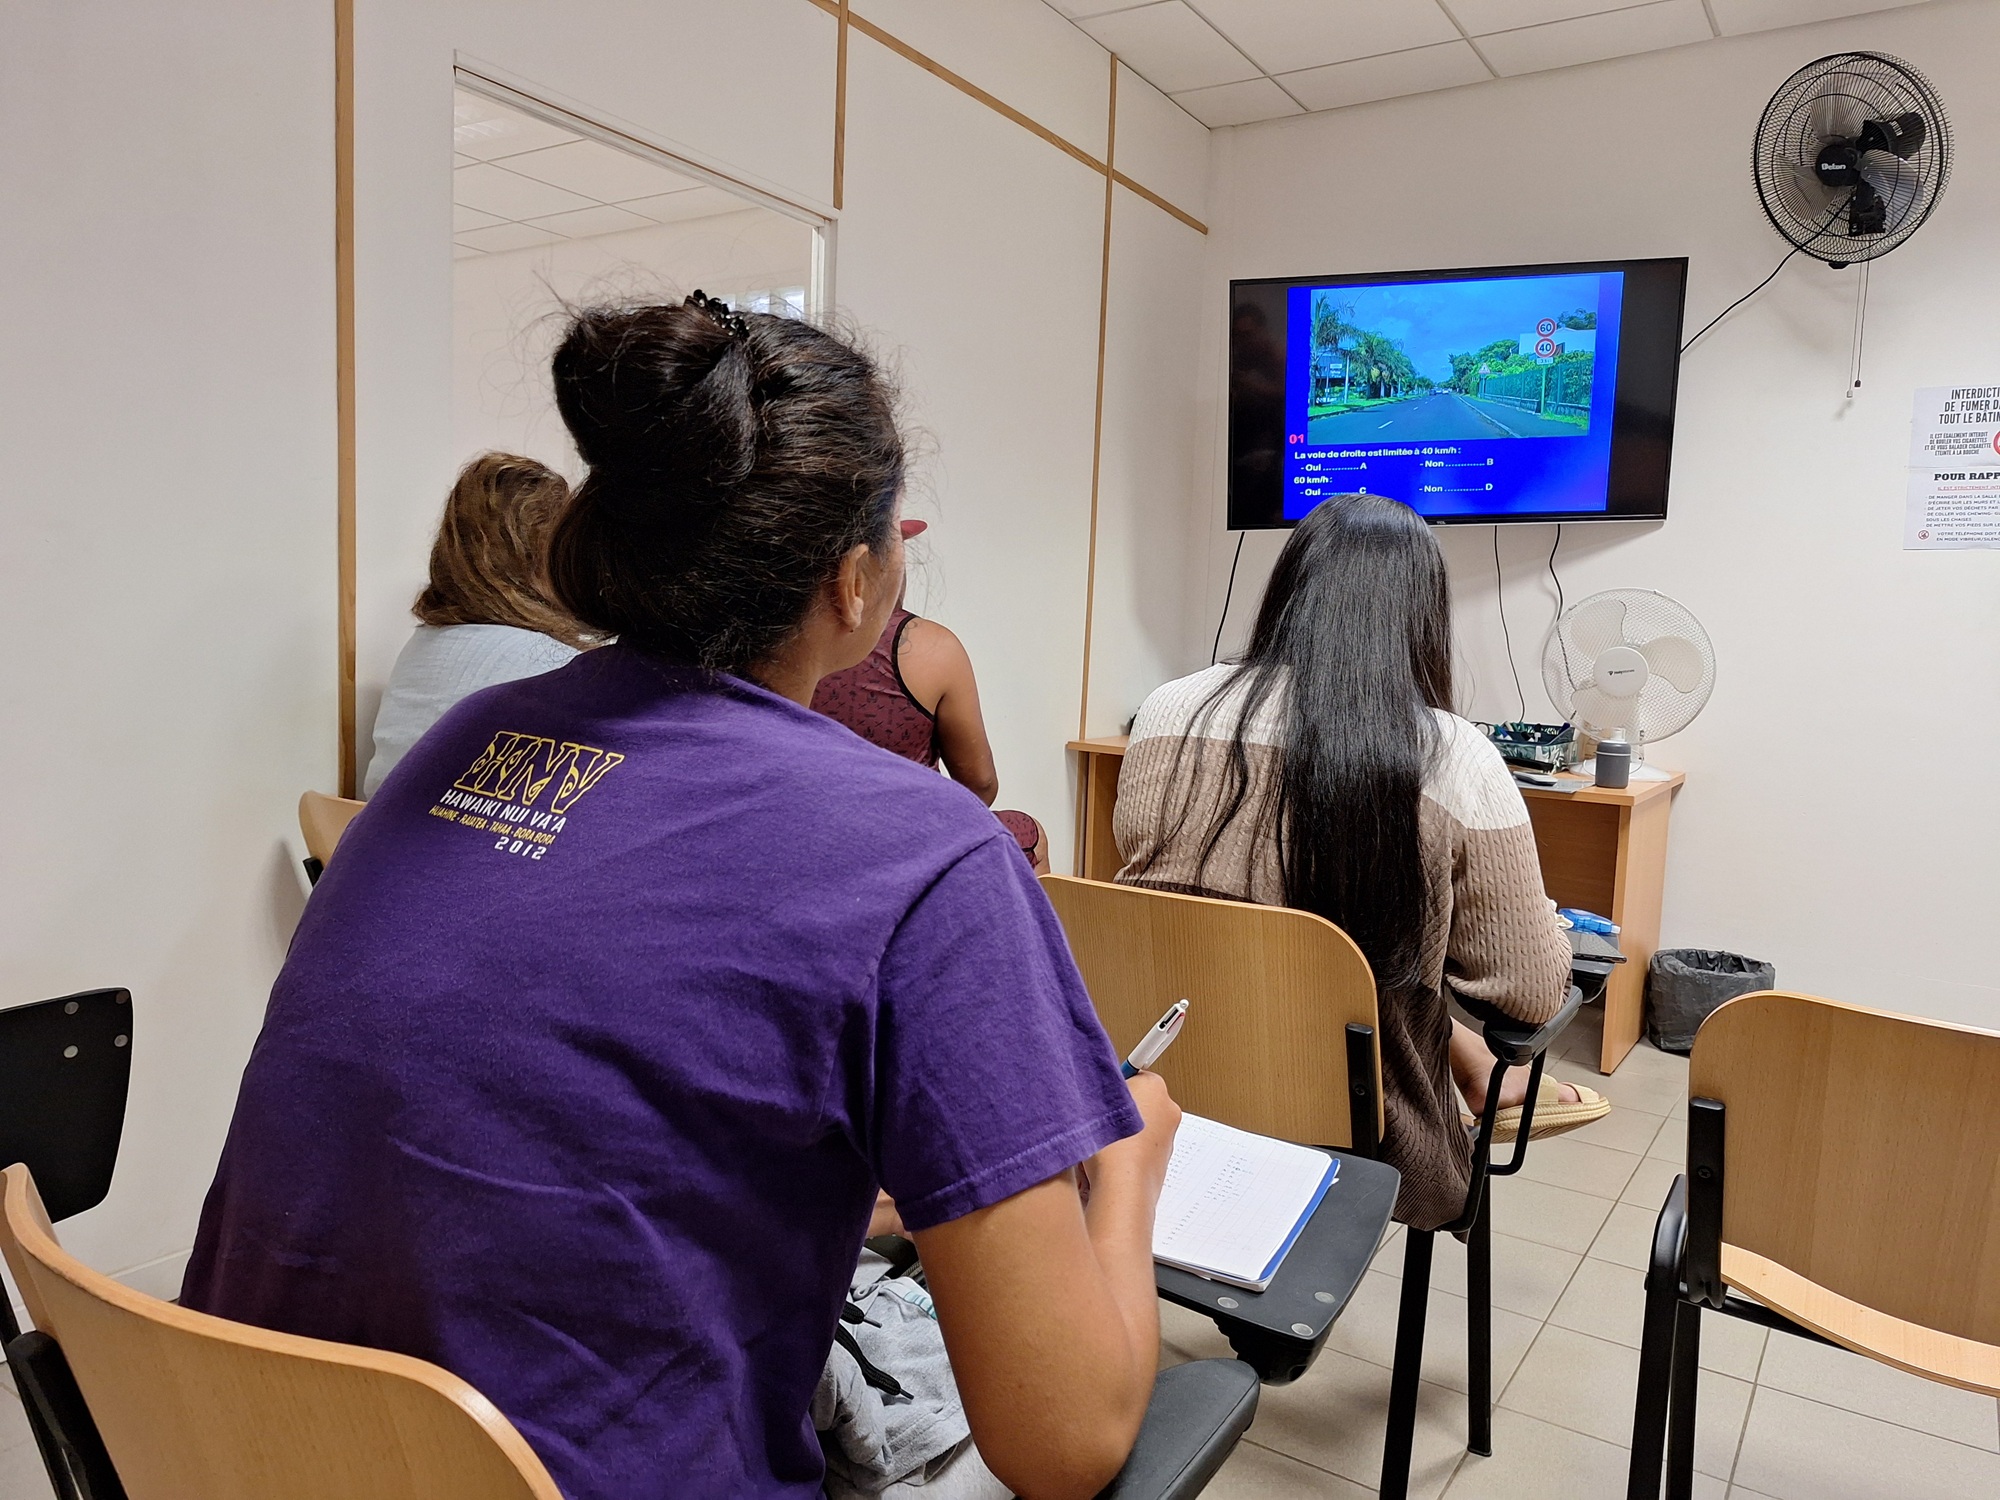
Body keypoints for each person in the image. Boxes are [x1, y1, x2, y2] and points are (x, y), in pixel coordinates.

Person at [181, 295, 1180, 1500]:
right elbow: (1062, 1445)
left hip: (240, 1453)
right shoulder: (925, 854)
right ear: (854, 580)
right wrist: (1127, 1170)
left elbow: (596, 1135)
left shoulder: (469, 740)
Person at [1112, 494, 1605, 1232]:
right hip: (1352, 1127)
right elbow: (1531, 995)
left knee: (1323, 942)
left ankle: (1455, 1052)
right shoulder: (1451, 753)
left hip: (1156, 1079)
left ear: (1288, 591)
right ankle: (1459, 1058)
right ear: (1422, 618)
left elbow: (1209, 896)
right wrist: (1549, 928)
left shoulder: (1165, 709)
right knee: (1387, 959)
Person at [363, 452, 591, 796]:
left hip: (373, 838)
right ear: (543, 555)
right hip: (467, 842)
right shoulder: (554, 664)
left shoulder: (420, 649)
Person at [812, 594, 1050, 872]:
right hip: (906, 846)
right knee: (1032, 835)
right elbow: (981, 784)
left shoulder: (784, 636)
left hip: (802, 838)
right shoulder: (927, 645)